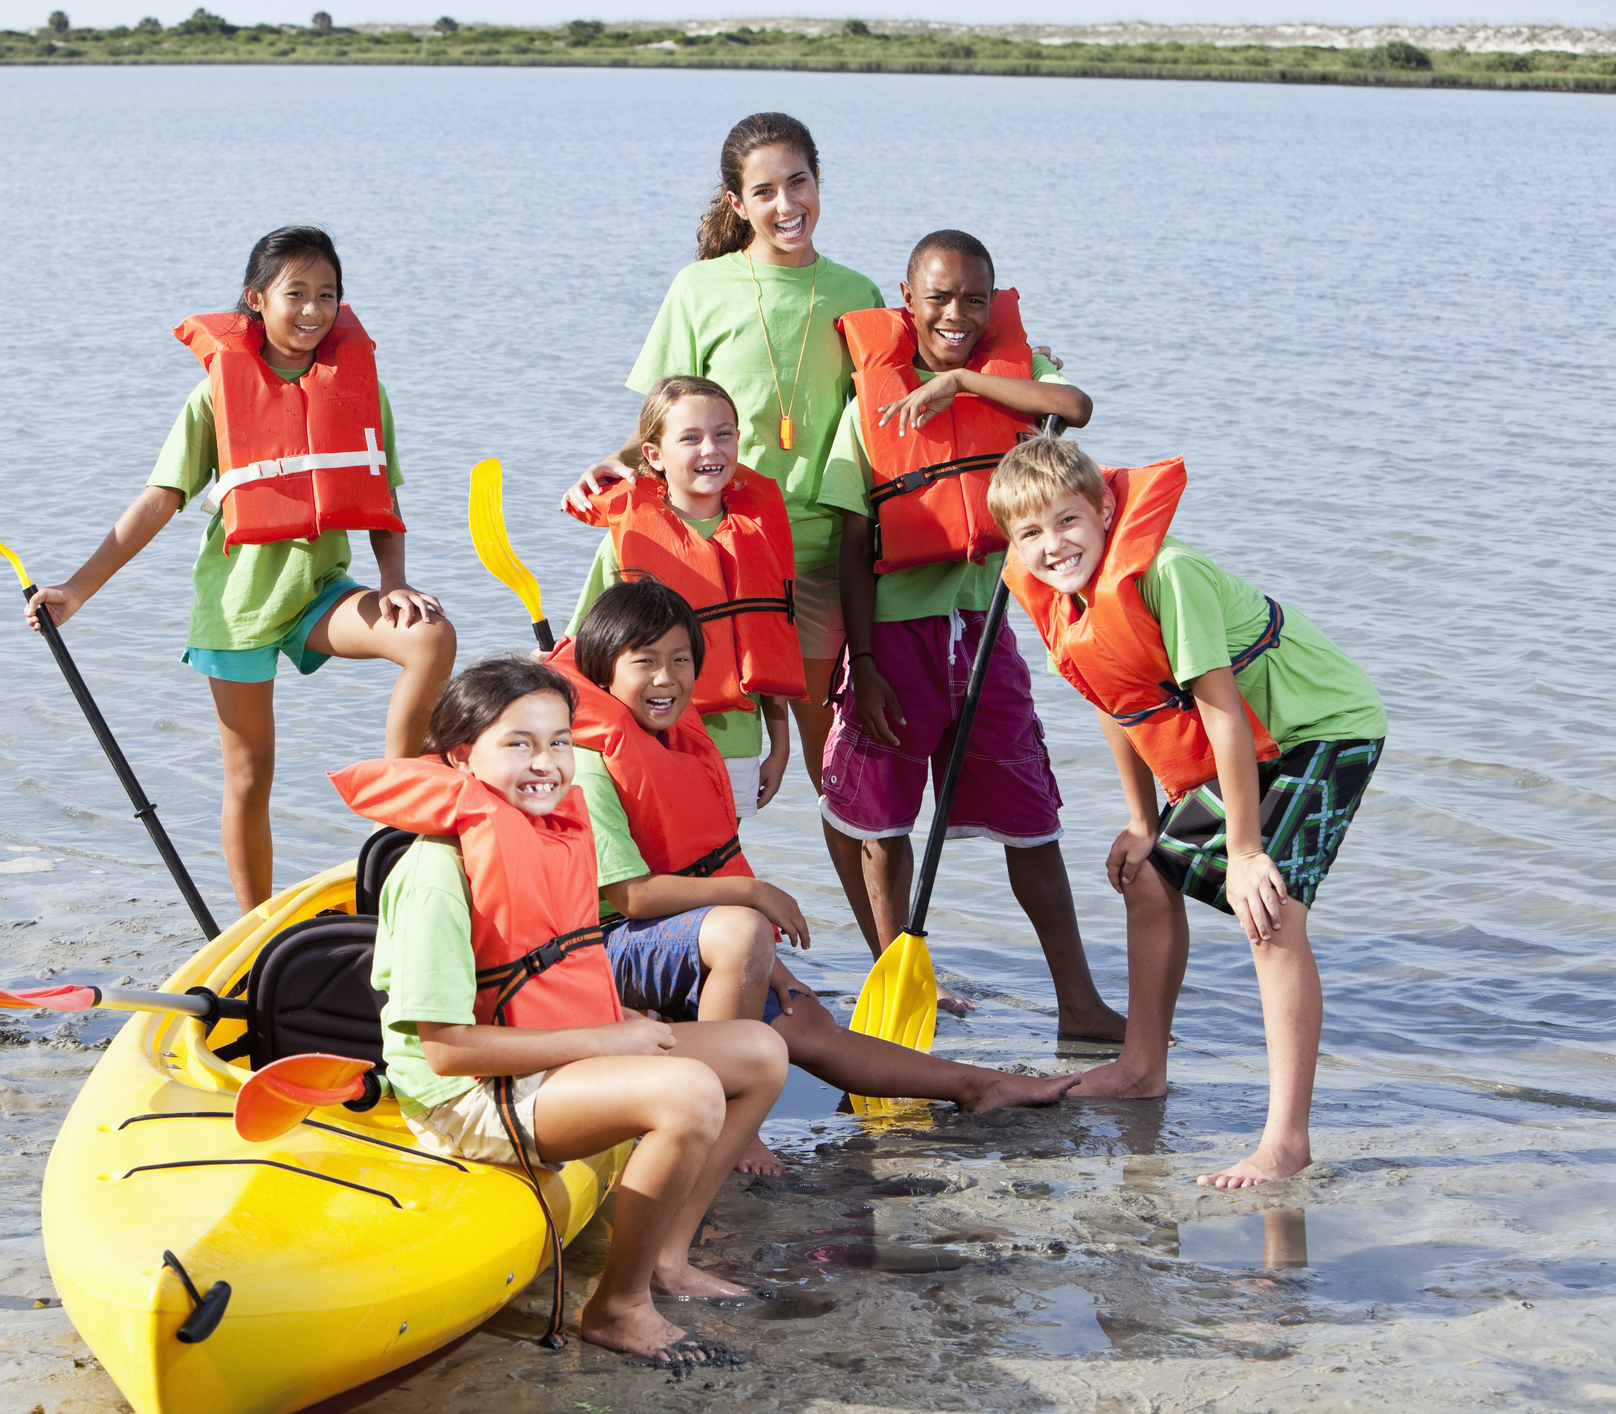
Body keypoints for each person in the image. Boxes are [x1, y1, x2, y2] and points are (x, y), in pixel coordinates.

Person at [331, 657, 787, 1361]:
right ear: (459, 754)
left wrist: (618, 1031)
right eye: (517, 743)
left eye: (560, 741)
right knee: (688, 1092)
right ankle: (616, 1307)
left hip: (547, 1058)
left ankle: (665, 1258)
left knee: (759, 1051)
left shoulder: (550, 836)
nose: (544, 763)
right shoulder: (434, 873)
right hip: (466, 1097)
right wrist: (609, 1042)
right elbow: (448, 1050)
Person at [551, 581, 1083, 1173]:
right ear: (602, 672)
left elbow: (699, 868)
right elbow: (631, 896)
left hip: (670, 941)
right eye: (643, 662)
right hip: (598, 952)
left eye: (681, 660)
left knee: (806, 1019)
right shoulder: (590, 767)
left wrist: (772, 973)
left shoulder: (676, 744)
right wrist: (752, 895)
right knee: (745, 931)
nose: (665, 678)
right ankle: (725, 1117)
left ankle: (978, 1085)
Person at [987, 438, 1387, 1188]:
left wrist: (1243, 852)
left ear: (1105, 509)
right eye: (1029, 534)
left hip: (1318, 727)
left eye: (1067, 521)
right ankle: (1140, 1069)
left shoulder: (1167, 573)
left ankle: (1286, 1142)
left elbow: (1223, 713)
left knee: (1267, 910)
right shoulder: (1057, 596)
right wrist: (1141, 822)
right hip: (1252, 745)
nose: (1051, 546)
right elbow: (1116, 701)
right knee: (1149, 876)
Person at [24, 226, 455, 914]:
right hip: (238, 609)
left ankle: (399, 815)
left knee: (429, 637)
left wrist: (393, 582)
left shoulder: (361, 390)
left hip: (321, 594)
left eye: (327, 295)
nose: (312, 310)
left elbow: (382, 497)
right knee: (250, 775)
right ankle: (255, 929)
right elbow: (158, 501)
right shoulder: (213, 397)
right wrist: (76, 590)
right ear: (256, 300)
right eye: (295, 294)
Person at [820, 229, 1126, 1039]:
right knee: (882, 826)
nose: (954, 312)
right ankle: (899, 995)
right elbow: (852, 546)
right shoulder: (869, 406)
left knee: (1031, 813)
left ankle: (1078, 1002)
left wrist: (960, 380)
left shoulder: (1012, 387)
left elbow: (1076, 409)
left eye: (972, 300)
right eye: (937, 297)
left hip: (983, 630)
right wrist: (865, 663)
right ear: (905, 298)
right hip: (896, 635)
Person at [563, 111, 883, 794]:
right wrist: (618, 460)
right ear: (737, 203)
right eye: (764, 192)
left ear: (819, 181)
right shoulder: (698, 288)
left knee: (838, 778)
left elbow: (896, 408)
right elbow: (658, 419)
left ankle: (858, 907)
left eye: (798, 183)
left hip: (822, 560)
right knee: (694, 749)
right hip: (720, 553)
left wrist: (1026, 366)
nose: (787, 205)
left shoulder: (859, 295)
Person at [565, 375, 801, 818]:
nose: (710, 450)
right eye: (690, 438)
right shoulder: (627, 539)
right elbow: (580, 646)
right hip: (648, 738)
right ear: (654, 454)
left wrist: (781, 744)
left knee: (717, 862)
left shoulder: (761, 532)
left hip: (736, 743)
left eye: (723, 434)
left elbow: (770, 640)